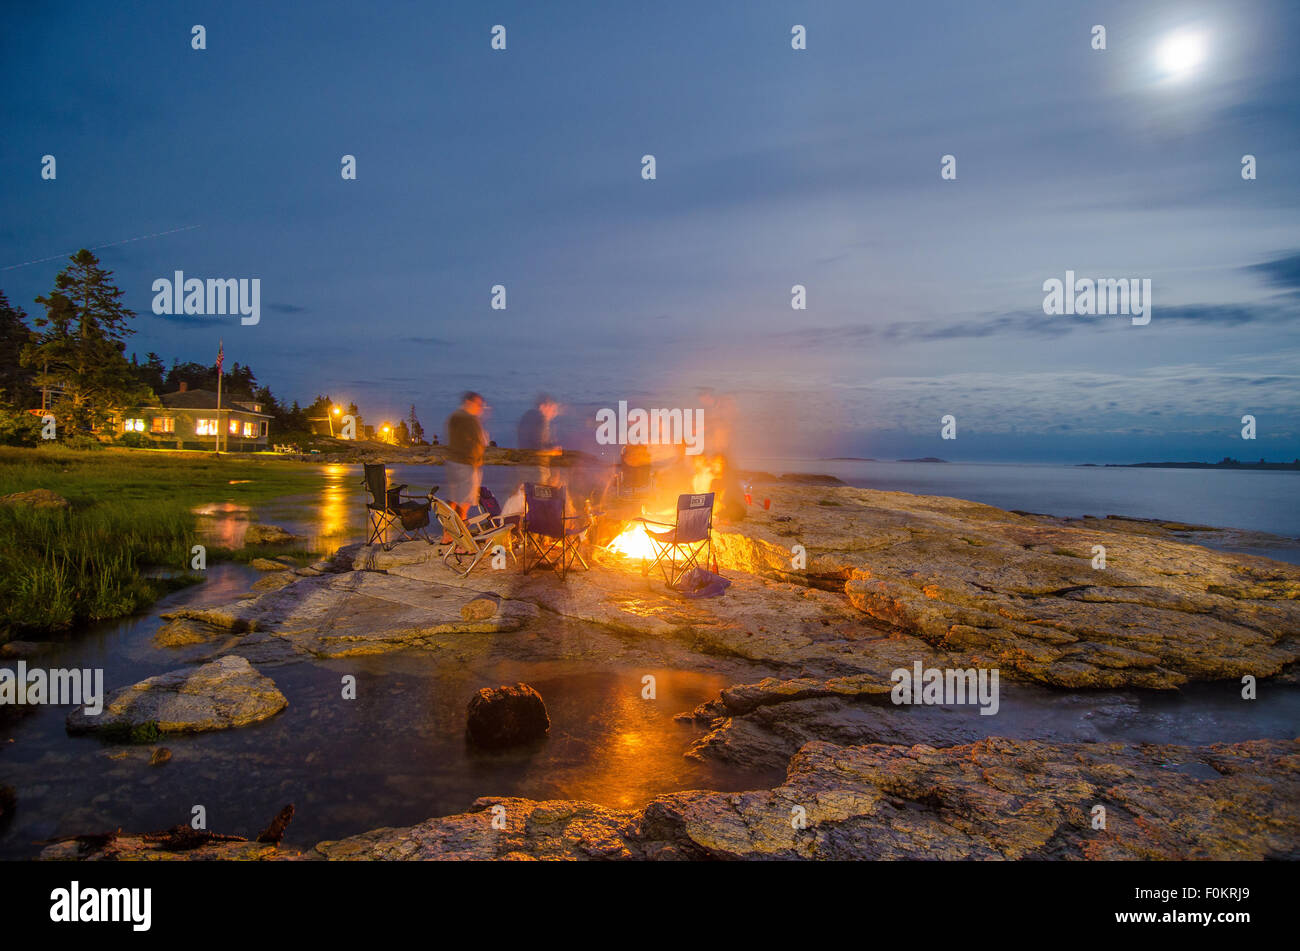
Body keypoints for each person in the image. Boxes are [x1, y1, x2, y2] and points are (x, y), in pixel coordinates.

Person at [445, 392, 487, 523]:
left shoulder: (454, 417)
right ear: (469, 403)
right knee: (464, 502)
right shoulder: (470, 419)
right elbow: (481, 441)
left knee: (453, 499)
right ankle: (460, 536)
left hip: (453, 463)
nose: (480, 407)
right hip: (467, 464)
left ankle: (447, 535)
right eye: (478, 404)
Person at [516, 393, 561, 488]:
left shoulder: (527, 417)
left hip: (523, 465)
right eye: (553, 409)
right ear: (543, 406)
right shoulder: (541, 419)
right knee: (539, 496)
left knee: (527, 494)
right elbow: (539, 448)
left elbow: (532, 442)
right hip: (536, 468)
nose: (555, 413)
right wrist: (554, 451)